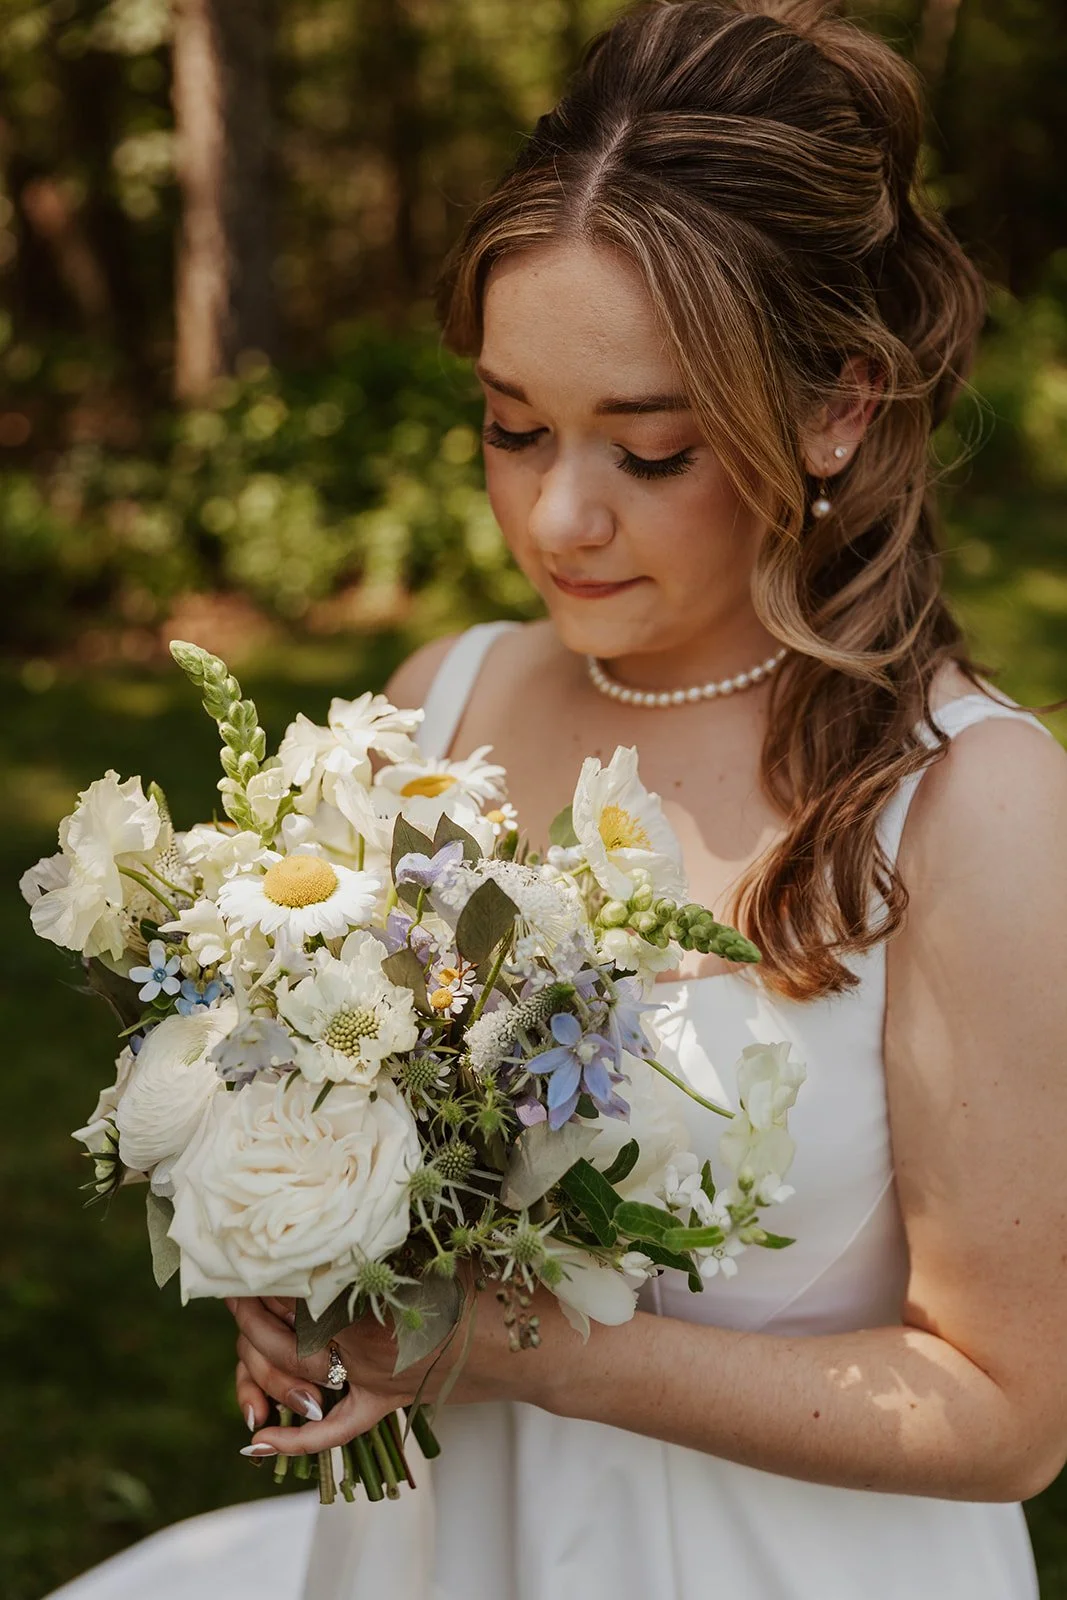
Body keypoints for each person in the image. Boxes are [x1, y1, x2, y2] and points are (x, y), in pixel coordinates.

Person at [45, 2, 1067, 1598]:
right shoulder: (434, 705)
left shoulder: (966, 804)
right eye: (510, 426)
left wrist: (529, 1351)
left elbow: (1005, 1412)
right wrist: (294, 1256)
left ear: (836, 405)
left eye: (648, 450)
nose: (558, 514)